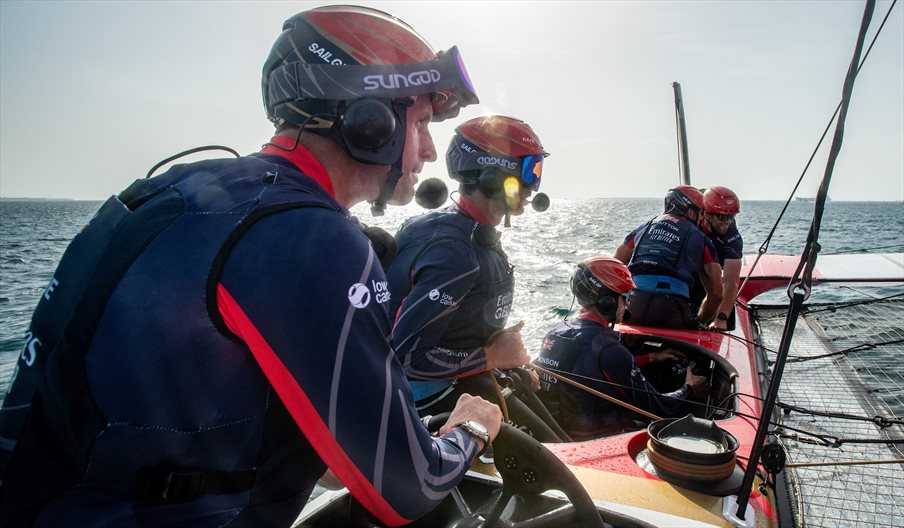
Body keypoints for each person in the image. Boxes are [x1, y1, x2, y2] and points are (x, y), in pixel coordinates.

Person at [0, 7, 502, 527]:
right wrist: (470, 429)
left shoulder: (175, 188)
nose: (429, 149)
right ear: (370, 120)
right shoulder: (308, 237)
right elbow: (406, 490)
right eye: (420, 122)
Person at [386, 115, 567, 443]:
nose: (533, 187)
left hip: (462, 380)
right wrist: (493, 357)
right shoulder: (454, 251)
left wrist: (501, 361)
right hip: (426, 402)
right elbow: (407, 356)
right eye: (530, 171)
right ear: (493, 174)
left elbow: (455, 326)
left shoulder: (468, 233)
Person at [534, 257, 708, 441]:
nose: (627, 305)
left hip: (560, 435)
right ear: (607, 302)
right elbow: (659, 407)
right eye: (624, 298)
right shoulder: (609, 349)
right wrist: (689, 388)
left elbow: (587, 368)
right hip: (600, 440)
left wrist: (650, 358)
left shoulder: (554, 333)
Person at [614, 185, 723, 329]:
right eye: (701, 212)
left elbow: (615, 263)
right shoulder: (702, 239)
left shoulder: (644, 227)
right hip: (672, 310)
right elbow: (716, 294)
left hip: (633, 305)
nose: (703, 217)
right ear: (691, 212)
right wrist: (699, 323)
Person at [700, 186, 743, 330]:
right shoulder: (692, 223)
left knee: (719, 297)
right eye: (723, 217)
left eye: (732, 217)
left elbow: (731, 281)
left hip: (714, 272)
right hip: (694, 271)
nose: (728, 222)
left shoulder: (733, 238)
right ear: (707, 214)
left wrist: (721, 318)